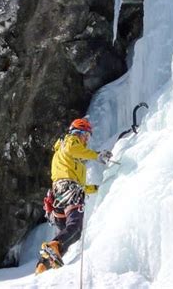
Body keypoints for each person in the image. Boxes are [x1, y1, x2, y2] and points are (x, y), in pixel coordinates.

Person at [35, 117, 112, 275]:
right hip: (69, 189)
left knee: (72, 233)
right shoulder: (70, 140)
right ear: (79, 132)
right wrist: (97, 155)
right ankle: (53, 247)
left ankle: (43, 265)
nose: (86, 140)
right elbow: (72, 151)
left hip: (60, 194)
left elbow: (77, 183)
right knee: (75, 226)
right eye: (86, 136)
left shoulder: (66, 156)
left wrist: (95, 188)